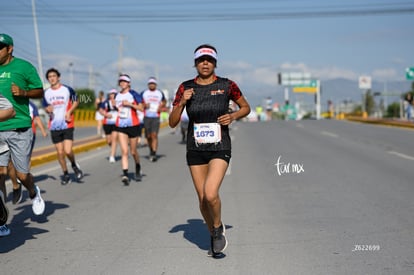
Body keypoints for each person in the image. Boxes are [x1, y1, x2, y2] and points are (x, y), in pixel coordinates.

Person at [169, 44, 251, 257]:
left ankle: (216, 228)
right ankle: (215, 232)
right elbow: (172, 122)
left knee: (211, 193)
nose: (205, 63)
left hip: (220, 145)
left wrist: (233, 116)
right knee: (202, 199)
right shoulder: (185, 87)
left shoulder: (227, 85)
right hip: (195, 148)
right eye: (201, 60)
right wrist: (181, 103)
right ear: (195, 63)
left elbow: (245, 107)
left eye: (209, 60)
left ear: (215, 63)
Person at [0, 33, 46, 237]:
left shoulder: (24, 67)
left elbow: (40, 91)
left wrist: (24, 93)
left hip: (19, 128)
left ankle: (34, 191)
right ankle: (1, 220)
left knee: (21, 175)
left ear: (9, 49)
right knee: (0, 174)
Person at [43, 68, 83, 185]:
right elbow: (46, 107)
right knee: (60, 153)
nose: (52, 78)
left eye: (54, 76)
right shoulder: (46, 93)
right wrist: (47, 110)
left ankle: (74, 165)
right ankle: (65, 174)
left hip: (67, 123)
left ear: (58, 77)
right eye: (49, 77)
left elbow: (76, 101)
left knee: (68, 150)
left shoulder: (67, 89)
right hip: (54, 125)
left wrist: (69, 111)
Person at [9, 100, 48, 204]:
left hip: (27, 135)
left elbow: (37, 118)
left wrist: (43, 131)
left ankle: (23, 174)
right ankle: (16, 185)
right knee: (10, 162)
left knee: (26, 159)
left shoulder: (31, 105)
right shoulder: (6, 100)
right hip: (10, 134)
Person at [114, 74, 144, 185]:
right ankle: (125, 174)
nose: (122, 83)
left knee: (133, 151)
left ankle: (137, 165)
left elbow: (141, 108)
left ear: (129, 83)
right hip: (121, 126)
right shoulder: (117, 96)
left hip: (133, 125)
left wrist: (130, 104)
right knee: (124, 151)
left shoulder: (134, 94)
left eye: (124, 81)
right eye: (120, 81)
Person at [141, 77, 166, 162]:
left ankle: (154, 153)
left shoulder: (159, 93)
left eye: (153, 83)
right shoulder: (144, 93)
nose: (152, 85)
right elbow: (139, 103)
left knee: (154, 135)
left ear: (155, 84)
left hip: (156, 116)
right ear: (148, 85)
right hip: (147, 116)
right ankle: (151, 149)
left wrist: (161, 106)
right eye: (150, 83)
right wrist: (144, 105)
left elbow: (164, 101)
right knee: (148, 136)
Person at [99, 89, 119, 163]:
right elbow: (100, 110)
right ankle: (113, 148)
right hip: (107, 123)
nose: (112, 95)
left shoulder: (119, 102)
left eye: (114, 94)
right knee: (109, 141)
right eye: (111, 94)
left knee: (114, 139)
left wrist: (116, 106)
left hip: (116, 123)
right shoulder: (106, 102)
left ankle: (112, 156)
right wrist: (106, 114)